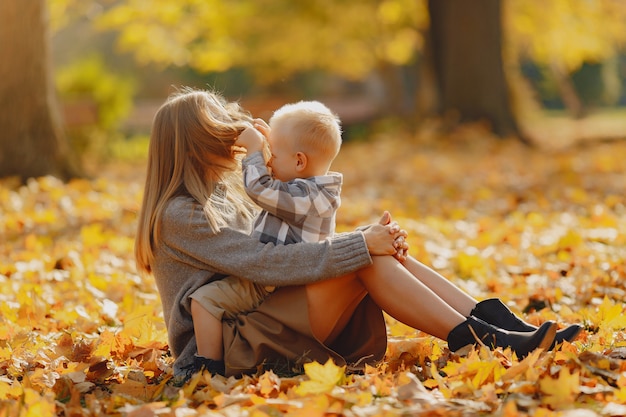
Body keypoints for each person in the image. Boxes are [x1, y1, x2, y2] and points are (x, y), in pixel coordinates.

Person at [134, 88, 582, 381]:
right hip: (227, 350)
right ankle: (486, 338)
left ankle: (499, 327)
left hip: (256, 316)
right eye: (224, 134)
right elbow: (266, 262)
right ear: (198, 145)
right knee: (365, 255)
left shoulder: (219, 198)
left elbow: (284, 242)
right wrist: (359, 244)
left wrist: (363, 240)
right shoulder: (180, 215)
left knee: (373, 251)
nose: (239, 141)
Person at [188, 101, 346, 374]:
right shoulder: (308, 190)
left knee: (203, 301)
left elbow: (260, 188)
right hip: (276, 278)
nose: (268, 161)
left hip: (276, 284)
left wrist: (252, 152)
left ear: (299, 161)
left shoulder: (308, 196)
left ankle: (207, 369)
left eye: (273, 154)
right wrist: (267, 142)